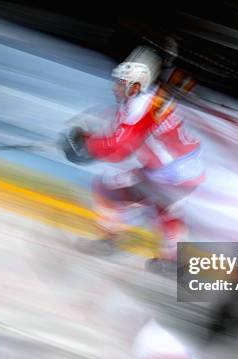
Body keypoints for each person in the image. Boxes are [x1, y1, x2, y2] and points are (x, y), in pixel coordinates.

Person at [60, 46, 205, 273]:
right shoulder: (147, 99)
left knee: (106, 187)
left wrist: (86, 144)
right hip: (187, 169)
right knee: (165, 209)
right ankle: (173, 260)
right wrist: (89, 140)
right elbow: (119, 137)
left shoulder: (141, 105)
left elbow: (120, 147)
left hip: (170, 172)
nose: (116, 87)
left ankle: (111, 240)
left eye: (121, 83)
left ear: (136, 86)